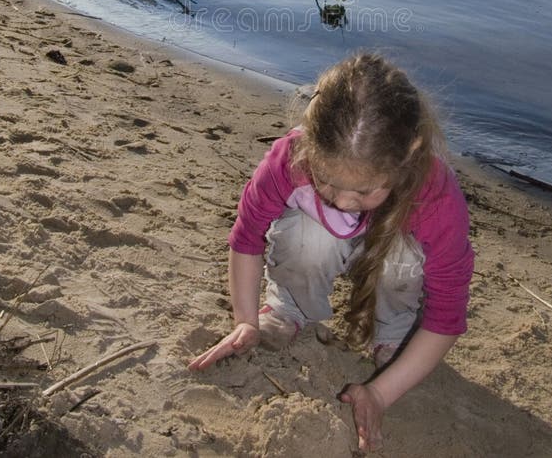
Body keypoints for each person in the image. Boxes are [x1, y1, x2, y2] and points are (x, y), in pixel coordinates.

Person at [189, 52, 474, 452]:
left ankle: (393, 335)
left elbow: (447, 316)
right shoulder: (290, 158)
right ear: (309, 143)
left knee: (402, 262)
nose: (342, 201)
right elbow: (247, 236)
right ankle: (289, 308)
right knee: (308, 236)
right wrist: (245, 319)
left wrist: (380, 393)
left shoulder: (437, 197)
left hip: (393, 253)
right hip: (317, 241)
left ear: (406, 158)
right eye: (327, 181)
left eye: (362, 191)